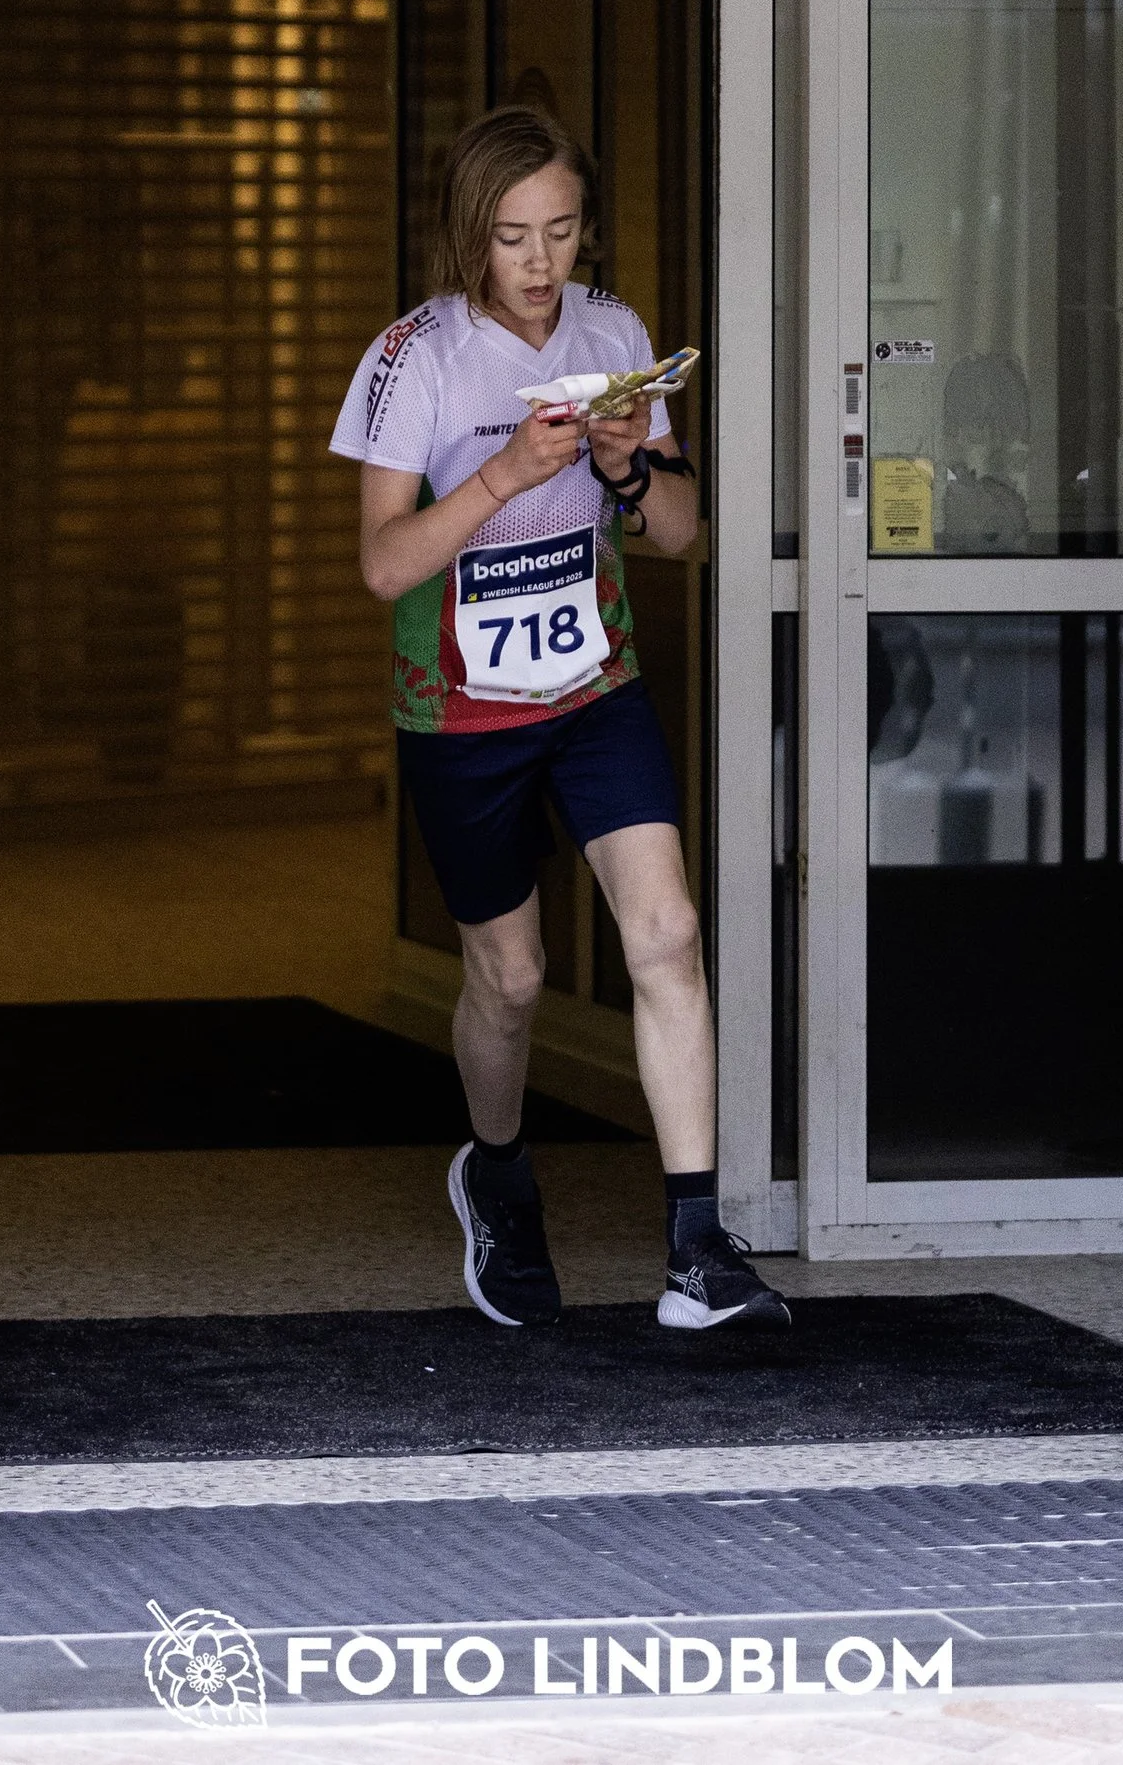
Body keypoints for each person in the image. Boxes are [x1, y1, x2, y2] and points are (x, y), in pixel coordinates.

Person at [331, 105, 790, 1335]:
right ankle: (496, 1166)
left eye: (561, 231)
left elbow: (683, 533)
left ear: (588, 227)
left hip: (595, 686)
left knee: (668, 933)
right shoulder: (412, 356)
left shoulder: (616, 331)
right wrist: (504, 477)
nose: (539, 263)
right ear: (470, 238)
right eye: (512, 236)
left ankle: (698, 1248)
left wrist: (632, 464)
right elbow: (381, 565)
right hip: (463, 705)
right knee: (514, 977)